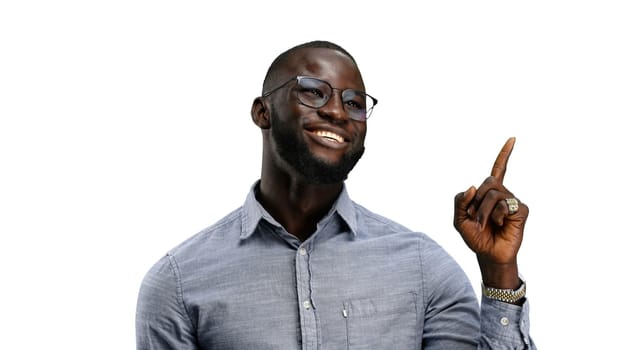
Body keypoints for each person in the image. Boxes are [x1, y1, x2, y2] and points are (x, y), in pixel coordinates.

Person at [135, 40, 536, 349]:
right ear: (262, 112)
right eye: (313, 91)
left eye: (354, 103)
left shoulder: (423, 268)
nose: (338, 112)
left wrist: (499, 271)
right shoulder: (178, 282)